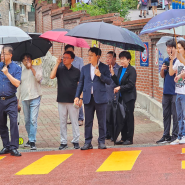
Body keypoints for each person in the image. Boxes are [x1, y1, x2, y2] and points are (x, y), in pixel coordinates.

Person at [74, 47, 112, 150]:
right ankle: (88, 142)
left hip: (101, 98)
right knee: (88, 122)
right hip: (88, 98)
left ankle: (101, 141)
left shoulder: (104, 67)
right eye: (88, 55)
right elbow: (81, 83)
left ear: (97, 56)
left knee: (101, 121)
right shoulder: (85, 68)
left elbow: (109, 81)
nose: (89, 57)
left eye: (91, 55)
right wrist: (77, 96)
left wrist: (100, 75)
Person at [50, 51, 81, 150]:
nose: (64, 59)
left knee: (74, 121)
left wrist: (80, 98)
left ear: (72, 59)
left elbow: (80, 85)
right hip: (61, 99)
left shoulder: (76, 71)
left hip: (73, 100)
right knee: (62, 121)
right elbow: (51, 76)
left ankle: (76, 140)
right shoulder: (59, 69)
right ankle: (63, 141)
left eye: (67, 57)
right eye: (63, 57)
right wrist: (57, 63)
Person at [110, 51, 137, 145]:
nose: (122, 61)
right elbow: (118, 82)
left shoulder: (131, 70)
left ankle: (129, 139)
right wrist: (113, 74)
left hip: (129, 97)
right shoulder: (121, 69)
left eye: (124, 59)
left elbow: (130, 84)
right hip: (121, 97)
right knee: (122, 117)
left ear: (128, 60)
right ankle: (123, 138)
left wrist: (120, 88)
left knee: (129, 118)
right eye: (120, 59)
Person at [17, 54, 42, 150]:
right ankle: (30, 138)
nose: (26, 61)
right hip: (24, 98)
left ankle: (32, 141)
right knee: (27, 120)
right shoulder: (20, 71)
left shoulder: (37, 68)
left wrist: (31, 68)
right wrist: (17, 101)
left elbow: (39, 78)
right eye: (24, 59)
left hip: (35, 96)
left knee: (33, 119)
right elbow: (18, 87)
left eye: (28, 59)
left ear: (31, 59)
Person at [0, 45, 22, 156]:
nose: (2, 56)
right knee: (1, 124)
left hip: (11, 100)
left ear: (10, 55)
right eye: (1, 54)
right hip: (0, 100)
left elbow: (17, 83)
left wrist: (7, 74)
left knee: (13, 122)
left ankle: (14, 147)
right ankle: (6, 146)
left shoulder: (17, 68)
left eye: (4, 54)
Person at [156, 40, 178, 144]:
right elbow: (163, 75)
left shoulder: (179, 61)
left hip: (175, 92)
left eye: (171, 47)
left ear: (175, 48)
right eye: (167, 47)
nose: (168, 49)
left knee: (175, 115)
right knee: (166, 114)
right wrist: (161, 69)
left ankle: (175, 135)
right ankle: (166, 135)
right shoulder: (165, 60)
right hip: (166, 92)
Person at [63, 44, 84, 126]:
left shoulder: (79, 60)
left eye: (71, 51)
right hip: (67, 84)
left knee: (78, 100)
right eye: (68, 51)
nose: (70, 52)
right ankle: (72, 118)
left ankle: (80, 118)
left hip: (77, 82)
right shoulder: (63, 61)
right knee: (69, 101)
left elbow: (82, 71)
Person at [169, 40, 185, 145]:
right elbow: (171, 73)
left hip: (184, 92)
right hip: (178, 91)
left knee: (184, 115)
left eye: (180, 48)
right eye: (177, 48)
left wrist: (180, 75)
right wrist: (171, 61)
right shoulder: (178, 61)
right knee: (179, 115)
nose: (178, 50)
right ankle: (180, 136)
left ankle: (184, 135)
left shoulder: (183, 60)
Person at [105, 51, 120, 140]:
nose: (107, 59)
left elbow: (118, 81)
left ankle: (114, 134)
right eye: (107, 57)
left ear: (114, 58)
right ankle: (107, 133)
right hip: (106, 95)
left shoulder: (119, 68)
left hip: (114, 95)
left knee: (113, 116)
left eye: (110, 57)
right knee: (106, 116)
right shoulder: (104, 68)